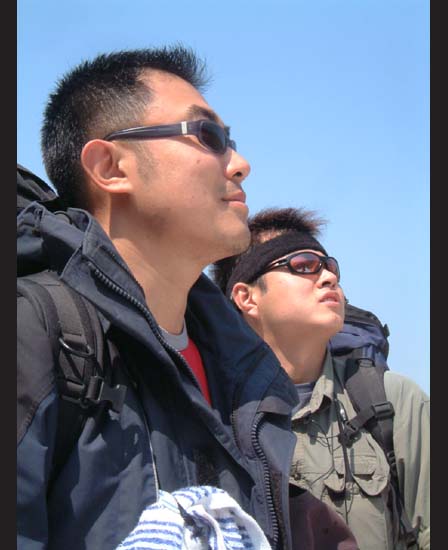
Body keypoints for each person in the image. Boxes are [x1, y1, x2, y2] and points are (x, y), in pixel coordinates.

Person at [17, 47, 301, 550]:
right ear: (110, 167)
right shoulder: (32, 332)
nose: (240, 165)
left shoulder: (245, 369)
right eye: (208, 136)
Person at [211, 207, 430, 550]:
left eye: (330, 267)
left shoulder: (391, 401)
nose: (329, 278)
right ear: (246, 297)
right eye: (303, 265)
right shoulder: (211, 415)